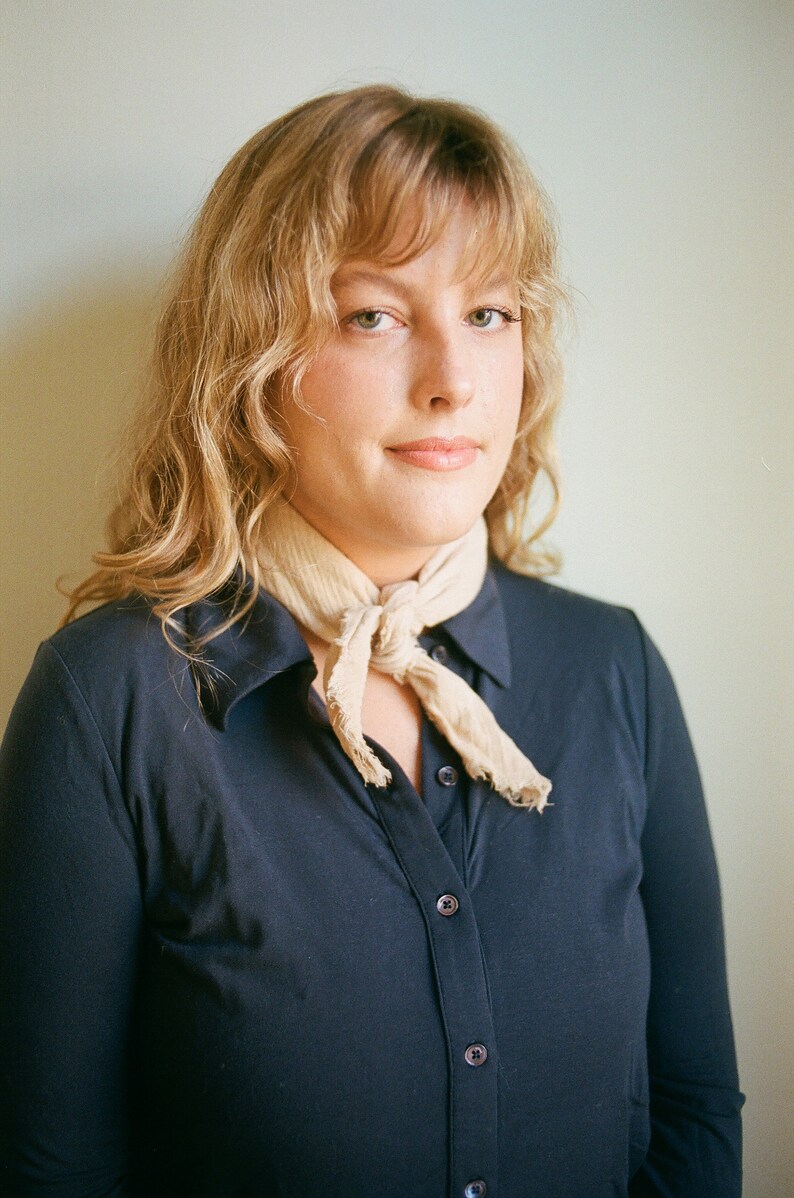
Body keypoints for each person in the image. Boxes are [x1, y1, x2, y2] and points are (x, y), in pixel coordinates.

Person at [0, 85, 744, 1198]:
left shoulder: (614, 669)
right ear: (249, 363)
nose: (451, 379)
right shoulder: (109, 697)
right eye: (373, 315)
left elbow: (689, 1113)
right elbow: (50, 1168)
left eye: (488, 313)